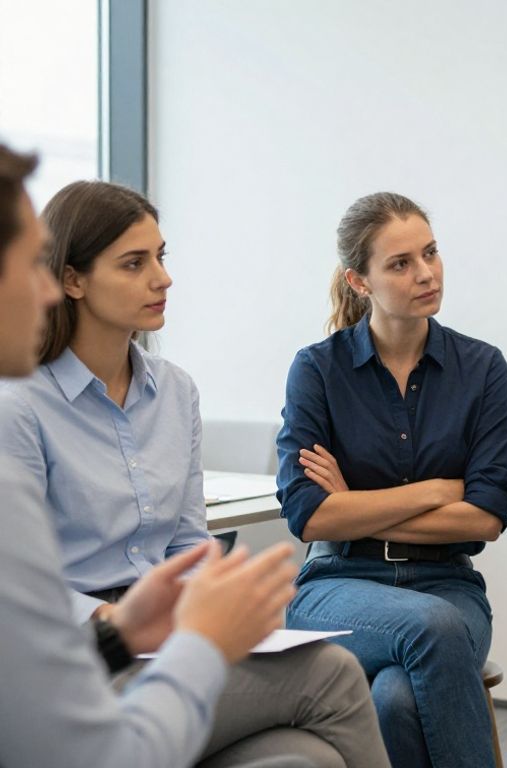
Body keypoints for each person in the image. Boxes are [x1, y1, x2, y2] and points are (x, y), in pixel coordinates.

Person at [0, 178, 389, 767]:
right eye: (134, 263)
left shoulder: (175, 391)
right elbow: (26, 590)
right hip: (86, 656)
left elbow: (187, 540)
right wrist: (119, 620)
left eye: (161, 257)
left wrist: (217, 604)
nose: (162, 278)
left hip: (164, 632)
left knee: (308, 758)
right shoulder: (22, 405)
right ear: (72, 279)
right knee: (332, 676)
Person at [278, 191, 507, 768]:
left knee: (395, 697)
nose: (426, 273)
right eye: (401, 263)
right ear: (359, 281)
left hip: (449, 584)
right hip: (337, 583)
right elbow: (309, 516)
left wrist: (354, 501)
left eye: (430, 253)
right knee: (428, 628)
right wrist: (436, 491)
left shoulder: (482, 368)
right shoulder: (317, 369)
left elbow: (486, 517)